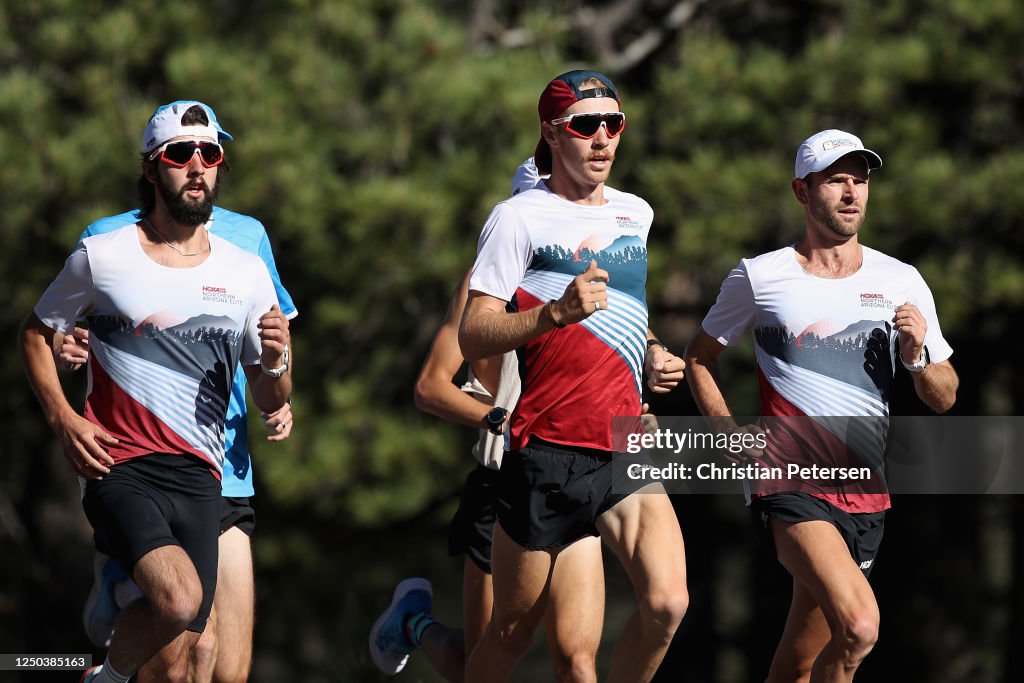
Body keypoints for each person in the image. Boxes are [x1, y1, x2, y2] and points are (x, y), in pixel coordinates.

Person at [19, 100, 292, 683]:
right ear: (152, 167)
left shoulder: (247, 255)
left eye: (210, 153)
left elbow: (272, 374)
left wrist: (278, 361)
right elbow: (45, 333)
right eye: (180, 153)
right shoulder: (105, 246)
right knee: (178, 616)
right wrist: (65, 413)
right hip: (123, 459)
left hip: (217, 467)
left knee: (215, 661)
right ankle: (108, 631)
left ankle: (111, 637)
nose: (197, 165)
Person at [684, 129, 959, 682]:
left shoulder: (900, 280)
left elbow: (945, 395)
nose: (852, 192)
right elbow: (698, 359)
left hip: (866, 493)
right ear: (802, 192)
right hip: (789, 485)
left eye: (859, 180)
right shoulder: (761, 276)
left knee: (801, 658)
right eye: (836, 180)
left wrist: (915, 359)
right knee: (859, 627)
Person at [458, 70, 689, 683]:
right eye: (586, 126)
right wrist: (555, 312)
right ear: (552, 133)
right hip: (548, 450)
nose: (603, 139)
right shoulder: (517, 218)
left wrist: (653, 352)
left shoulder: (635, 214)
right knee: (512, 633)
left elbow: (628, 317)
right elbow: (473, 333)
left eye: (614, 124)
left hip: (623, 442)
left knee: (668, 603)